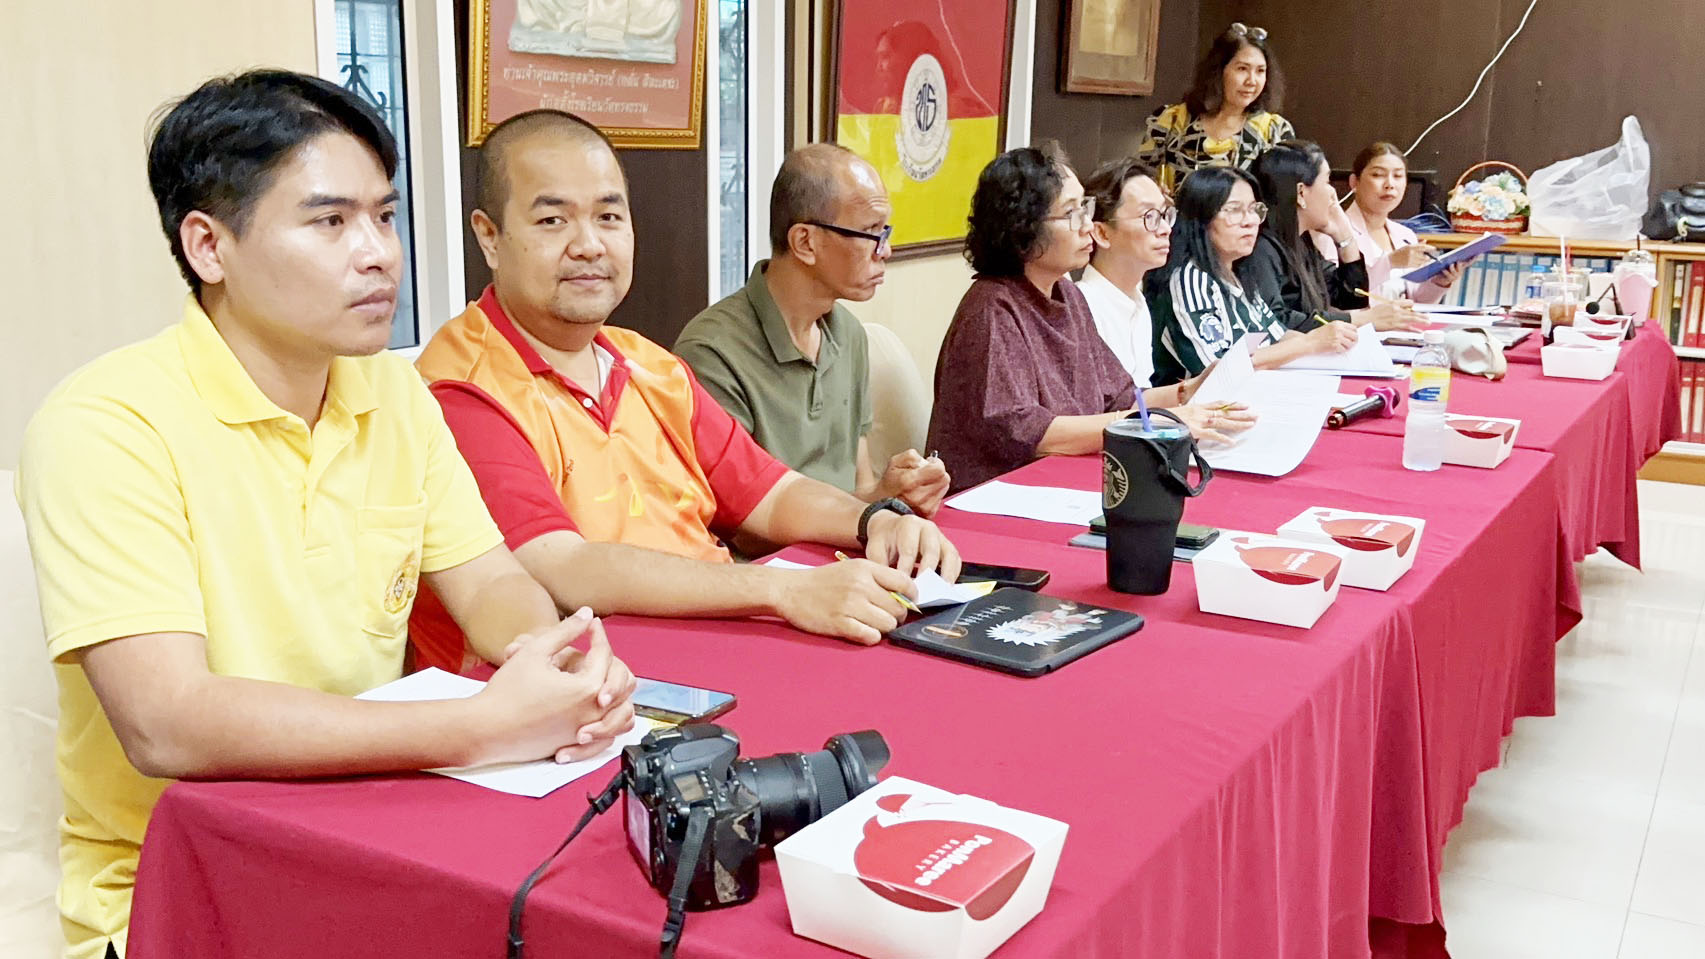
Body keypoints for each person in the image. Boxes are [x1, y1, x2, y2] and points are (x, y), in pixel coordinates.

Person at [15, 71, 636, 959]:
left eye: (384, 216)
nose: (379, 253)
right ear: (208, 246)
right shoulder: (105, 425)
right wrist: (482, 725)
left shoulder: (394, 391)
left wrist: (552, 657)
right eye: (330, 221)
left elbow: (492, 580)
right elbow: (167, 719)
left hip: (381, 829)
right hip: (187, 883)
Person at [412, 110, 963, 671]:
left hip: (713, 645)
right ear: (490, 237)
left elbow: (771, 494)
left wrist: (877, 520)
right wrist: (784, 590)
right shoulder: (461, 386)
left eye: (608, 216)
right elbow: (562, 568)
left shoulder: (648, 364)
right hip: (593, 674)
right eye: (553, 221)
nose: (589, 245)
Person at [927, 146, 1253, 494]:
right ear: (1023, 227)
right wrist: (1154, 423)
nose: (1087, 226)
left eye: (1086, 207)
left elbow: (1119, 398)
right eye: (1072, 213)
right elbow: (1023, 431)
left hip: (1059, 481)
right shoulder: (992, 308)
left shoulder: (1067, 295)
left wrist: (1186, 391)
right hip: (998, 493)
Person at [676, 143, 948, 516]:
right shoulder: (712, 353)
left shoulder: (849, 334)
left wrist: (891, 495)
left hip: (846, 539)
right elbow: (738, 520)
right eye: (870, 232)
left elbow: (859, 485)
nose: (885, 250)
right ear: (805, 242)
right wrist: (871, 508)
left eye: (883, 231)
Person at [1148, 166, 1360, 383]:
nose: (1250, 221)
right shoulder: (1190, 280)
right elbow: (1219, 370)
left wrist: (1332, 343)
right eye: (1234, 210)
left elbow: (1278, 336)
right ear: (1200, 218)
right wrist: (1310, 343)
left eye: (1253, 209)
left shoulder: (1238, 274)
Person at [1245, 140, 1425, 332]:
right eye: (1327, 182)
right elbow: (1274, 321)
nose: (1333, 193)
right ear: (1301, 193)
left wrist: (1345, 237)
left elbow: (1350, 299)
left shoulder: (1301, 242)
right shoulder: (1261, 247)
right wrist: (1361, 319)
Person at [1137, 22, 1294, 193]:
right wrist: (1155, 193)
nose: (1252, 81)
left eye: (1260, 71)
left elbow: (1281, 198)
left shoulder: (1274, 131)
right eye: (1242, 69)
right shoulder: (1171, 121)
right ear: (1218, 71)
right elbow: (1139, 183)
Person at [1313, 141, 1464, 302]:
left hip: (1401, 319)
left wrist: (1439, 282)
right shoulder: (1333, 233)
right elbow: (1334, 296)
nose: (1390, 184)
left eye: (1398, 176)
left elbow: (1415, 301)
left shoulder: (1405, 235)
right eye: (1378, 175)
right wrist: (1389, 262)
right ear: (1354, 182)